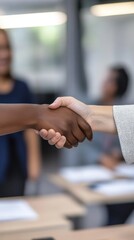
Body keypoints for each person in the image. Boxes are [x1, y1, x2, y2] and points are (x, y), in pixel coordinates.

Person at [0, 28, 42, 197]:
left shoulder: (22, 87)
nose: (3, 54)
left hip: (15, 165)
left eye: (6, 47)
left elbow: (31, 128)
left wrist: (34, 164)